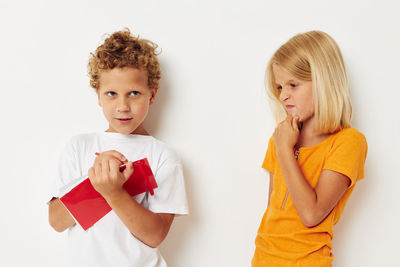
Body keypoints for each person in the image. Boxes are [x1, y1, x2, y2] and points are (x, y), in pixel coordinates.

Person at [48, 29, 188, 267]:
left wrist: (114, 192)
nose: (123, 106)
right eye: (111, 94)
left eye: (134, 93)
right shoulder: (79, 147)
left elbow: (155, 236)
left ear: (152, 95)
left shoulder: (162, 155)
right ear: (99, 96)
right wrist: (95, 183)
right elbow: (57, 221)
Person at [252, 31, 367, 266]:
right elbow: (273, 212)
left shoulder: (348, 142)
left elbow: (311, 214)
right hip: (263, 259)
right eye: (280, 87)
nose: (283, 95)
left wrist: (285, 150)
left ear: (324, 81)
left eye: (293, 84)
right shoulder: (281, 137)